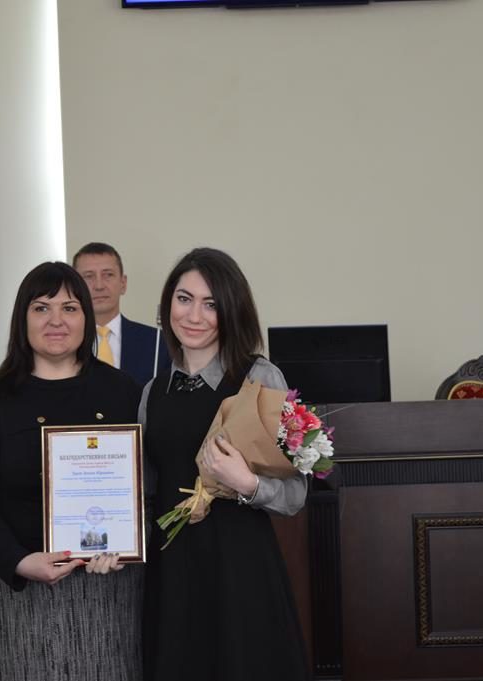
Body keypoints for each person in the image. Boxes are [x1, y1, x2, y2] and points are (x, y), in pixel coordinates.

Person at [0, 261, 144, 681]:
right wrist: (19, 561)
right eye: (41, 308)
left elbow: (146, 483)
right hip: (23, 589)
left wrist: (126, 543)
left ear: (86, 319)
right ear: (22, 319)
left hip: (108, 590)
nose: (56, 320)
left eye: (70, 308)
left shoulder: (123, 391)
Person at [140, 248, 309, 681]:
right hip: (172, 571)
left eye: (210, 304)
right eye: (184, 299)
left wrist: (247, 483)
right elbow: (143, 492)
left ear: (230, 310)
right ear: (168, 304)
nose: (194, 315)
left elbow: (297, 493)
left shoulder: (260, 377)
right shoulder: (151, 392)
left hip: (240, 568)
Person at [73, 242, 170, 387]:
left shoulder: (159, 343)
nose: (99, 286)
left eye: (108, 275)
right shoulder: (63, 343)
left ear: (123, 283)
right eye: (88, 276)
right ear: (75, 286)